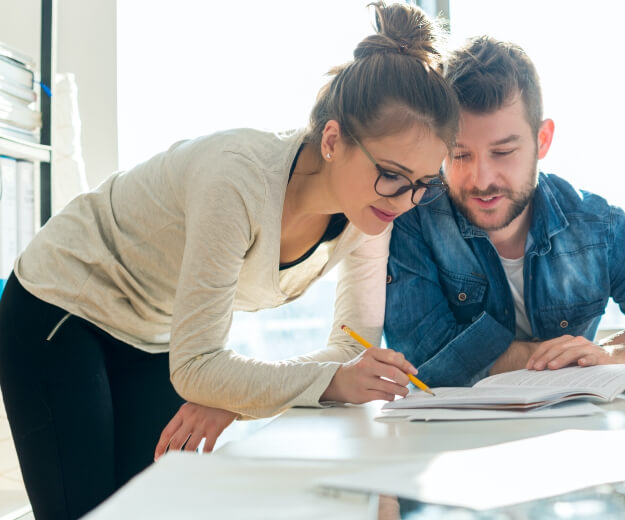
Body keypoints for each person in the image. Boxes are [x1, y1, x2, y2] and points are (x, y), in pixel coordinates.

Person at [0, 3, 459, 519]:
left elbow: (345, 352)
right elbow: (206, 368)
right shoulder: (237, 180)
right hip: (63, 302)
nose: (404, 200)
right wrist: (238, 382)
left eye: (424, 184)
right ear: (332, 140)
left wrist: (230, 393)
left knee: (148, 510)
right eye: (393, 175)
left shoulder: (371, 215)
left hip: (155, 334)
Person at [383, 36, 625, 388]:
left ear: (542, 140)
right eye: (459, 154)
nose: (481, 180)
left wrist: (618, 358)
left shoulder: (597, 229)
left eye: (502, 153)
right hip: (447, 439)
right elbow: (424, 358)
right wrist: (580, 360)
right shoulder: (413, 221)